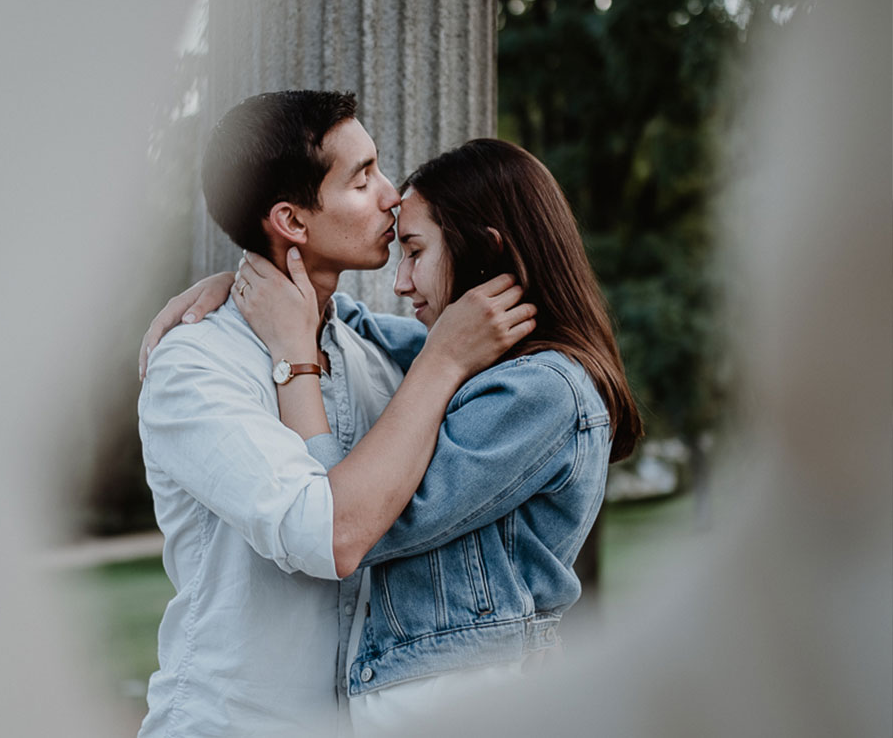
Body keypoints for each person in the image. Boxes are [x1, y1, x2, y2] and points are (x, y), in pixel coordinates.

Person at [145, 138, 641, 735]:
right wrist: (247, 282)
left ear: (485, 252)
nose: (402, 280)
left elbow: (366, 522)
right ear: (291, 220)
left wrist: (297, 358)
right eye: (363, 178)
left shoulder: (538, 390)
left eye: (415, 249)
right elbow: (351, 322)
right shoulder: (464, 362)